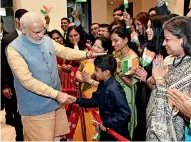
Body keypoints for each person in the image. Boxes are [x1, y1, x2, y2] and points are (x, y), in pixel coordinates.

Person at [6, 12, 104, 141]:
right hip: (36, 108)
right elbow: (27, 81)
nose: (41, 35)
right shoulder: (14, 49)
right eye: (36, 32)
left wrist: (86, 55)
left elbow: (64, 52)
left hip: (56, 104)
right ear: (23, 29)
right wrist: (56, 94)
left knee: (57, 138)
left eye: (43, 30)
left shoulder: (46, 40)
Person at [146, 16, 191, 141]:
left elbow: (172, 106)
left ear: (183, 40)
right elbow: (155, 89)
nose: (164, 44)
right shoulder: (171, 60)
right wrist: (155, 78)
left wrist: (159, 79)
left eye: (167, 39)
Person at [132, 14, 171, 141]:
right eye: (147, 26)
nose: (147, 30)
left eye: (151, 27)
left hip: (155, 106)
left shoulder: (166, 56)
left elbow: (163, 84)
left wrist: (147, 77)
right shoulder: (149, 49)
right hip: (143, 103)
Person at [75, 54, 131, 141]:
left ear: (107, 72)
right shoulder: (103, 83)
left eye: (96, 70)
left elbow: (125, 113)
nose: (94, 72)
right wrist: (76, 100)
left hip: (116, 132)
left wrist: (107, 123)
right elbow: (94, 101)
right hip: (107, 128)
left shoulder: (114, 89)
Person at [73, 37, 114, 141]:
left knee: (95, 129)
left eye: (98, 47)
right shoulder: (87, 60)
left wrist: (89, 81)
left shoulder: (108, 64)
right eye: (94, 45)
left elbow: (107, 86)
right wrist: (80, 77)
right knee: (83, 127)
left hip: (98, 103)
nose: (94, 48)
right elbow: (78, 71)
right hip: (85, 99)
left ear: (106, 51)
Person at [1, 9, 28, 141]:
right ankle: (19, 137)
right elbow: (3, 64)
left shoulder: (30, 36)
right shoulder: (8, 38)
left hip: (30, 81)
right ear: (17, 21)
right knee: (17, 111)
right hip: (14, 81)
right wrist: (5, 85)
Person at [111, 26, 139, 138]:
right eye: (112, 41)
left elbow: (133, 84)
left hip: (126, 99)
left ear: (126, 40)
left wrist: (119, 72)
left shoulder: (132, 59)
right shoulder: (116, 54)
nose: (113, 44)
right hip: (115, 95)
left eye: (116, 40)